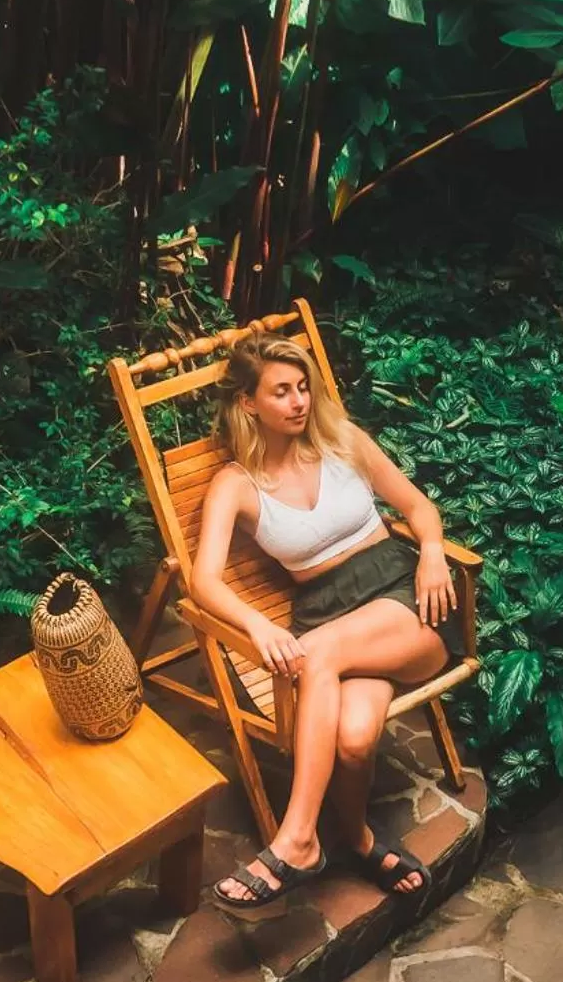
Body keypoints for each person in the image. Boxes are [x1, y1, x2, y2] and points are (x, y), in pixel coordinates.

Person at [191, 334, 466, 916]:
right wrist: (257, 626)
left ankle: (297, 839)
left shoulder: (343, 442)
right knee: (355, 737)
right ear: (248, 403)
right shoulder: (236, 485)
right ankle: (361, 841)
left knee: (314, 656)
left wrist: (434, 552)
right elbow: (203, 581)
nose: (299, 402)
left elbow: (418, 508)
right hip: (328, 617)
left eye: (303, 389)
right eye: (281, 391)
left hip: (402, 598)